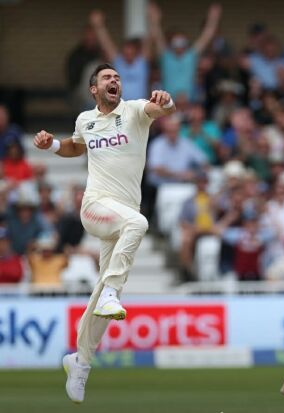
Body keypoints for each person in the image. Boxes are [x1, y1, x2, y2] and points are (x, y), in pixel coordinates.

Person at [33, 63, 176, 403]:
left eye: (117, 77)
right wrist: (52, 145)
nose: (114, 81)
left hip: (121, 213)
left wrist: (167, 101)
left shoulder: (136, 111)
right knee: (139, 224)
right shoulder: (86, 120)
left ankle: (81, 362)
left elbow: (163, 108)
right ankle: (113, 290)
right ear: (93, 89)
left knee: (101, 298)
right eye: (106, 78)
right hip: (96, 207)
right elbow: (75, 146)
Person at [89, 10, 151, 100]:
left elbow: (148, 42)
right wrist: (99, 26)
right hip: (120, 106)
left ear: (136, 52)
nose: (129, 55)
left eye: (131, 53)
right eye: (126, 53)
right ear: (122, 53)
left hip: (140, 107)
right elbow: (106, 43)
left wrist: (152, 21)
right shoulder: (118, 62)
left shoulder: (142, 62)